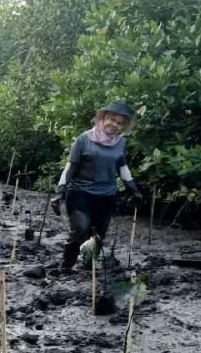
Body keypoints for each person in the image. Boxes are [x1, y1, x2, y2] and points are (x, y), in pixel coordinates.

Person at [53, 101, 143, 271]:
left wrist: (134, 190)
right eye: (112, 119)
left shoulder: (121, 143)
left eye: (120, 123)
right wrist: (60, 192)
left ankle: (88, 266)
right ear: (102, 118)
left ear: (124, 127)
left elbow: (122, 167)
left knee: (98, 235)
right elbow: (70, 166)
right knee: (81, 229)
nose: (114, 125)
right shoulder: (84, 139)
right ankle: (65, 266)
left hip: (106, 195)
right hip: (80, 193)